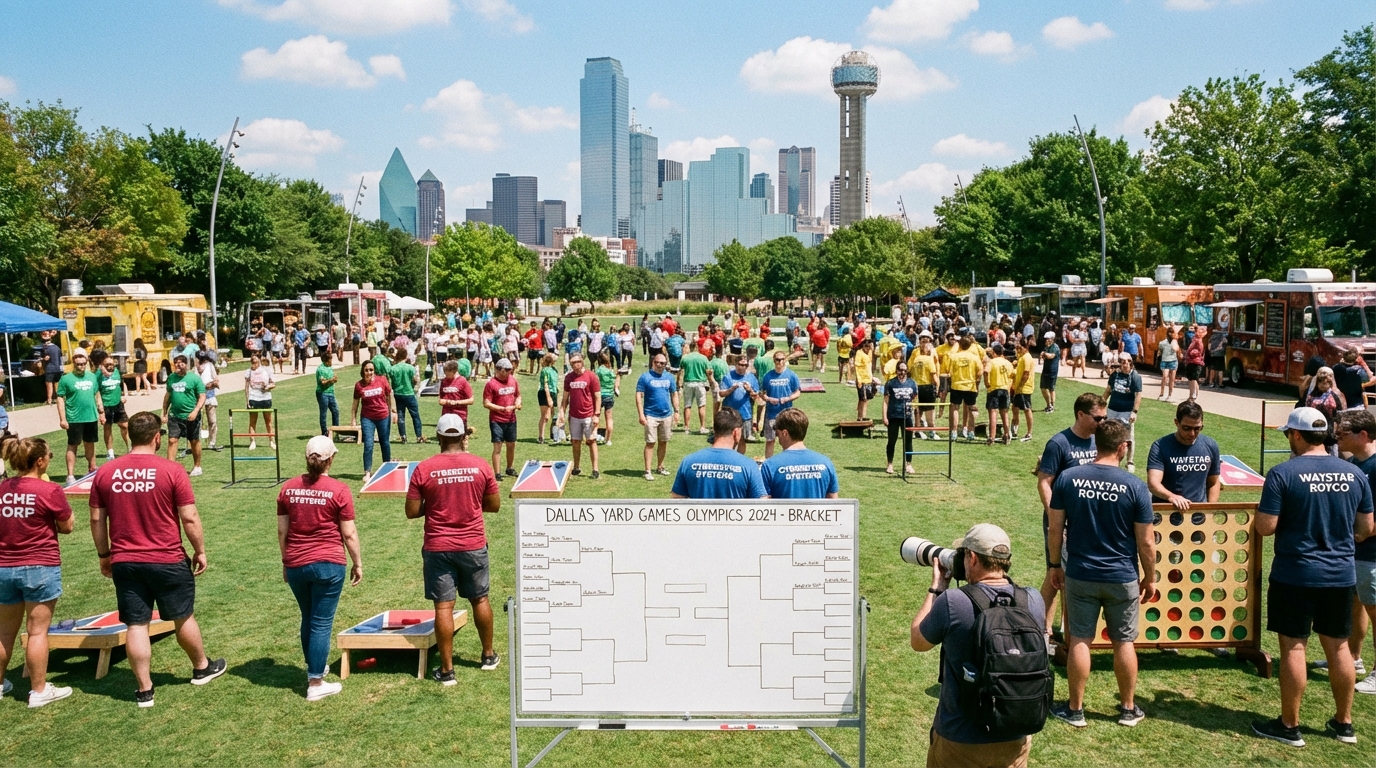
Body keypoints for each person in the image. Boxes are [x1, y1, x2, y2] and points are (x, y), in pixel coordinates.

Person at [1249, 407, 1374, 747]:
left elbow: (1265, 527)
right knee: (1340, 647)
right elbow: (1366, 527)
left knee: (1294, 647)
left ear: (1296, 435)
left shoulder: (1282, 473)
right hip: (1340, 574)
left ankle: (1289, 726)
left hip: (1296, 573)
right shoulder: (1354, 473)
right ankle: (1344, 723)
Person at [89, 411, 227, 707]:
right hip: (167, 558)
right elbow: (189, 517)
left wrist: (104, 554)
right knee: (182, 616)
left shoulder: (106, 472)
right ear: (156, 437)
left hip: (125, 560)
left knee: (136, 624)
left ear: (129, 436)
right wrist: (200, 550)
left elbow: (97, 519)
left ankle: (144, 690)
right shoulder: (172, 470)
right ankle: (201, 667)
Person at [1047, 419, 1155, 728]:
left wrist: (1055, 565)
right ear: (1123, 447)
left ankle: (1075, 709)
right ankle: (1128, 709)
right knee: (1124, 642)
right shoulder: (1135, 486)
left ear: (1097, 443)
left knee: (1080, 640)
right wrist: (1150, 577)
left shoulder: (1068, 478)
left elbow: (1055, 528)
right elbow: (1146, 541)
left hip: (1080, 572)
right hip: (1122, 576)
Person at [910, 524, 1045, 768]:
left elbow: (918, 641)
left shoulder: (953, 601)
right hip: (1015, 737)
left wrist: (937, 588)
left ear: (971, 558)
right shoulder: (1033, 599)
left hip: (960, 739)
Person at [406, 414, 503, 683]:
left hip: (438, 546)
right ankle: (488, 655)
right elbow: (494, 505)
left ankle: (447, 671)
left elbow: (412, 511)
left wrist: (433, 506)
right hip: (473, 544)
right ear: (463, 436)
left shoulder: (424, 469)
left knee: (443, 607)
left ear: (439, 437)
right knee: (480, 599)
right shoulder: (481, 465)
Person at [277, 436, 362, 701]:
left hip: (296, 563)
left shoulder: (288, 488)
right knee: (321, 622)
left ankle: (315, 668)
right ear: (331, 459)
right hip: (328, 564)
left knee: (308, 617)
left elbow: (282, 531)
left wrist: (285, 561)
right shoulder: (339, 490)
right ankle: (315, 682)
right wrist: (358, 562)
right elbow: (349, 534)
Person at [0, 437, 75, 707]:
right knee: (37, 632)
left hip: (4, 567)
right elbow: (67, 526)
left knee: (4, 633)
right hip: (40, 567)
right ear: (40, 461)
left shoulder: (2, 489)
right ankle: (39, 691)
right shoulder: (50, 490)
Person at [1036, 393, 1106, 642]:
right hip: (1062, 522)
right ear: (1080, 414)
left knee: (1068, 574)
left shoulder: (1099, 441)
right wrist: (1056, 518)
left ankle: (1056, 628)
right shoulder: (1059, 443)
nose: (1102, 422)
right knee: (1059, 574)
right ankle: (1044, 628)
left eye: (1104, 418)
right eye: (1097, 418)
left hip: (1088, 521)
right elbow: (1044, 483)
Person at [1336, 410, 1376, 695]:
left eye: (1343, 433)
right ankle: (1353, 658)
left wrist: (1364, 532)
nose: (1337, 437)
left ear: (1363, 435)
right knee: (1357, 603)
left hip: (1370, 552)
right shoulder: (1355, 464)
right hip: (1355, 549)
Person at [670, 409, 767, 499]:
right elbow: (761, 503)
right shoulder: (748, 466)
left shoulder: (689, 462)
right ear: (736, 432)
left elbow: (677, 498)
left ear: (714, 430)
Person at [1144, 400, 1221, 511]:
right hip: (1167, 513)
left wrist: (1209, 509)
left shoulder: (1210, 445)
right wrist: (1172, 497)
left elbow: (1214, 482)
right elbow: (1153, 484)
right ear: (1176, 422)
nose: (1192, 434)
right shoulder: (1160, 446)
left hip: (1198, 514)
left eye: (1197, 428)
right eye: (1186, 428)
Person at [760, 409, 838, 499]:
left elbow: (764, 502)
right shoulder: (826, 463)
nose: (777, 436)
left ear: (785, 433)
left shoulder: (770, 465)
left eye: (777, 433)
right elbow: (834, 501)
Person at [56, 349, 102, 484]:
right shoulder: (66, 379)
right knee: (73, 444)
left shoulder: (92, 376)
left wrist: (101, 410)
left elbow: (96, 393)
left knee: (90, 443)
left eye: (83, 364)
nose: (81, 366)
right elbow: (60, 398)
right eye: (78, 364)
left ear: (86, 362)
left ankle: (92, 468)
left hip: (91, 417)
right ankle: (70, 475)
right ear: (73, 363)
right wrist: (62, 419)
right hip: (74, 418)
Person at [636, 354, 680, 481]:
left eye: (664, 363)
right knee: (650, 443)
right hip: (650, 415)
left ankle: (660, 466)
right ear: (653, 363)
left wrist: (676, 411)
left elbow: (674, 394)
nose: (661, 365)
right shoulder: (645, 377)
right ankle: (647, 470)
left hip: (666, 415)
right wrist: (641, 414)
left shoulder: (669, 377)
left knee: (663, 442)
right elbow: (638, 395)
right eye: (659, 363)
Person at [351, 360, 394, 484]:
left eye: (371, 370)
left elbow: (389, 396)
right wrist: (353, 418)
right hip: (367, 418)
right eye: (366, 370)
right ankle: (367, 472)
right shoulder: (359, 386)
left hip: (383, 416)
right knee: (368, 445)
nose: (369, 372)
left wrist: (393, 411)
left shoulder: (382, 380)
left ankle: (387, 469)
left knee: (384, 443)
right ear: (362, 371)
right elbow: (355, 403)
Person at [162, 354, 206, 478]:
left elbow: (202, 396)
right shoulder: (171, 378)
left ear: (186, 364)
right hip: (174, 415)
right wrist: (164, 412)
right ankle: (170, 469)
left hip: (191, 415)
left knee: (194, 440)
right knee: (172, 440)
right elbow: (168, 395)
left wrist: (195, 411)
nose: (177, 365)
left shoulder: (194, 378)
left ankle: (197, 466)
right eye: (175, 362)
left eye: (180, 362)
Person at [561, 354, 602, 479]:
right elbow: (565, 397)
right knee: (575, 441)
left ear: (582, 362)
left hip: (588, 414)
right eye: (572, 363)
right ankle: (577, 467)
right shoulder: (569, 378)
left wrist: (596, 414)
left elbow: (597, 396)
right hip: (574, 415)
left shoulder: (591, 376)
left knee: (591, 441)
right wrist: (562, 411)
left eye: (577, 362)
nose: (575, 365)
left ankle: (595, 469)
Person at [1103, 354, 1143, 473]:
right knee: (1109, 434)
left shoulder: (1135, 376)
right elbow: (1108, 390)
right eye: (1123, 362)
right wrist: (1101, 405)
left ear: (1131, 362)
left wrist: (1134, 412)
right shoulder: (1115, 375)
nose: (1125, 364)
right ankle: (1110, 458)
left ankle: (1130, 461)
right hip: (1112, 410)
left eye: (1128, 362)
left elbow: (1138, 395)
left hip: (1126, 411)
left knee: (1128, 437)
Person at [483, 358, 522, 478]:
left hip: (511, 419)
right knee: (498, 445)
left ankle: (509, 468)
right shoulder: (491, 384)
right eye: (506, 371)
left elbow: (518, 395)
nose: (508, 373)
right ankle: (497, 472)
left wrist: (517, 403)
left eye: (510, 371)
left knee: (511, 444)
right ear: (499, 370)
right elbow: (486, 403)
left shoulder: (513, 380)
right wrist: (502, 409)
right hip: (496, 420)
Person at [759, 350, 802, 460]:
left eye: (782, 359)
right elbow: (762, 393)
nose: (779, 362)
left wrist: (788, 398)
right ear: (774, 361)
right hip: (771, 413)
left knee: (788, 440)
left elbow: (797, 392)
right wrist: (768, 399)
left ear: (785, 360)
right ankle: (768, 462)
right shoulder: (768, 376)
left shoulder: (791, 375)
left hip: (786, 414)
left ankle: (787, 461)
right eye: (777, 359)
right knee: (770, 440)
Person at [882, 363, 918, 475]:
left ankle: (908, 464)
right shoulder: (890, 383)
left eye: (904, 370)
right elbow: (885, 401)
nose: (902, 372)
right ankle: (890, 464)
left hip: (907, 416)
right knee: (892, 441)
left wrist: (916, 418)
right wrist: (884, 416)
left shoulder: (912, 383)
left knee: (908, 441)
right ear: (896, 370)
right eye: (900, 370)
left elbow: (916, 400)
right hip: (893, 416)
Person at [946, 332, 982, 442]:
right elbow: (980, 373)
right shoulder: (975, 358)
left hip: (957, 385)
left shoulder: (954, 357)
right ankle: (971, 431)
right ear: (970, 345)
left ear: (960, 345)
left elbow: (949, 373)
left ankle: (954, 432)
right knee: (971, 409)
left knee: (955, 408)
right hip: (970, 386)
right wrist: (976, 383)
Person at [95, 352, 129, 459]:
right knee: (107, 427)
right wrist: (100, 406)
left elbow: (122, 383)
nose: (110, 366)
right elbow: (96, 390)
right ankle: (110, 452)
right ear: (103, 364)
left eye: (111, 364)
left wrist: (125, 395)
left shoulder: (117, 371)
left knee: (125, 425)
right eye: (107, 364)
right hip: (106, 404)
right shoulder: (99, 374)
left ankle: (130, 448)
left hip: (118, 403)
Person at [907, 334, 939, 440]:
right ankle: (932, 432)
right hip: (927, 387)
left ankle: (917, 431)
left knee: (918, 410)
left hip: (916, 386)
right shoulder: (929, 360)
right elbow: (934, 376)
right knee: (930, 411)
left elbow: (909, 370)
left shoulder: (915, 359)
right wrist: (937, 387)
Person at [389, 348, 424, 445]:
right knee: (415, 416)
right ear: (405, 356)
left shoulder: (393, 368)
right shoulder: (410, 368)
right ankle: (418, 436)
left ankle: (403, 437)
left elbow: (391, 381)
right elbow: (415, 380)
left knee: (401, 416)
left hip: (398, 394)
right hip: (409, 393)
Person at [244, 354, 276, 451]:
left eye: (256, 362)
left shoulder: (267, 370)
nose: (254, 364)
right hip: (254, 398)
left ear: (259, 361)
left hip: (265, 398)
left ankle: (271, 441)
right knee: (252, 421)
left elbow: (273, 384)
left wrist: (267, 387)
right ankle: (252, 441)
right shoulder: (248, 372)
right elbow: (246, 387)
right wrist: (247, 401)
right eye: (252, 362)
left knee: (268, 421)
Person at [985, 343, 1014, 445]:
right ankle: (1006, 434)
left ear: (994, 352)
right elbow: (1012, 375)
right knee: (1004, 412)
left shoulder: (991, 362)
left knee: (993, 412)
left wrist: (987, 383)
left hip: (994, 389)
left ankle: (992, 437)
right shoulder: (1008, 363)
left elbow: (986, 371)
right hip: (1005, 389)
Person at [679, 343, 710, 435]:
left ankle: (686, 427)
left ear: (690, 348)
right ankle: (702, 427)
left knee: (687, 405)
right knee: (701, 405)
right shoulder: (703, 358)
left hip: (688, 382)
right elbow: (708, 371)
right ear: (697, 348)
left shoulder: (685, 358)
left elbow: (681, 371)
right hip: (700, 383)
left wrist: (678, 382)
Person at [1012, 337, 1036, 443]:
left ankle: (1029, 433)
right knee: (1015, 408)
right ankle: (1014, 430)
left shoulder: (1027, 358)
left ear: (1024, 347)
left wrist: (1020, 386)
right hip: (1019, 389)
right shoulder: (1022, 356)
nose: (1017, 348)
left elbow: (1026, 374)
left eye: (1019, 346)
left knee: (1027, 409)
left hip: (1024, 389)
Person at [594, 351, 620, 446]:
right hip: (610, 396)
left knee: (596, 416)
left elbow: (595, 382)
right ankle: (608, 440)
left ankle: (594, 436)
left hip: (600, 396)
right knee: (609, 418)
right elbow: (616, 382)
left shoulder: (599, 370)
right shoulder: (611, 371)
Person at [196, 351, 220, 452]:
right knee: (197, 421)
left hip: (209, 396)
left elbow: (216, 380)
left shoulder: (210, 366)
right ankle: (196, 442)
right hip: (197, 398)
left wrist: (211, 384)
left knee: (212, 421)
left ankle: (212, 442)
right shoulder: (195, 368)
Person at [438, 359, 475, 424]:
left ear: (454, 371)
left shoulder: (463, 381)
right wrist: (448, 402)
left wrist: (456, 402)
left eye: (448, 374)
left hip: (460, 416)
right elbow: (441, 400)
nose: (446, 376)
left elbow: (471, 400)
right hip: (446, 416)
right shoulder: (444, 381)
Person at [536, 353, 560, 444]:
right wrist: (549, 397)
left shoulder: (554, 370)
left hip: (553, 393)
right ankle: (541, 436)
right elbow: (545, 384)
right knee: (545, 416)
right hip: (545, 393)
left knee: (555, 416)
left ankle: (553, 434)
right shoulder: (545, 370)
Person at [315, 350, 340, 437]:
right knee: (324, 413)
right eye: (330, 360)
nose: (331, 362)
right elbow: (323, 382)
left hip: (331, 393)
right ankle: (324, 432)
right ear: (326, 360)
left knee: (335, 411)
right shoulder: (320, 369)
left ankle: (336, 430)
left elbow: (332, 379)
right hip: (322, 393)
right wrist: (331, 380)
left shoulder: (330, 368)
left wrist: (334, 379)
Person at [854, 338, 876, 421]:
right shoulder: (859, 353)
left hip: (868, 379)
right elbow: (857, 368)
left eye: (869, 346)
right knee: (862, 399)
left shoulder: (870, 352)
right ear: (863, 346)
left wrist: (872, 378)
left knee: (866, 399)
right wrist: (859, 380)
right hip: (862, 380)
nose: (868, 348)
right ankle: (860, 417)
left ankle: (863, 416)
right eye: (866, 346)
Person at [1157, 326, 1180, 401]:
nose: (1171, 334)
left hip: (1173, 361)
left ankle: (1170, 395)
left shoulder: (1175, 342)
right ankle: (1162, 394)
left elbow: (1177, 350)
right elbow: (1160, 351)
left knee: (1172, 379)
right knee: (1165, 377)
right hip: (1165, 361)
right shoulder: (1162, 343)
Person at [1039, 332, 1060, 413]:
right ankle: (1048, 404)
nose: (1046, 340)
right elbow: (1044, 357)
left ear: (1052, 339)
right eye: (1046, 339)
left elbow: (1051, 356)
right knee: (1043, 388)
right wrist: (1042, 356)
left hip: (1052, 371)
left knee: (1051, 389)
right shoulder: (1047, 347)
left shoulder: (1055, 347)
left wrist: (1044, 353)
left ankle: (1052, 406)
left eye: (1048, 338)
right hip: (1045, 370)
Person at [39, 333, 63, 405]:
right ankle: (57, 398)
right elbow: (61, 358)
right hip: (58, 368)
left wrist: (42, 359)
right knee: (56, 383)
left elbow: (46, 358)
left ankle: (49, 399)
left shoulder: (46, 349)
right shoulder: (57, 347)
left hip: (50, 368)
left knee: (49, 384)